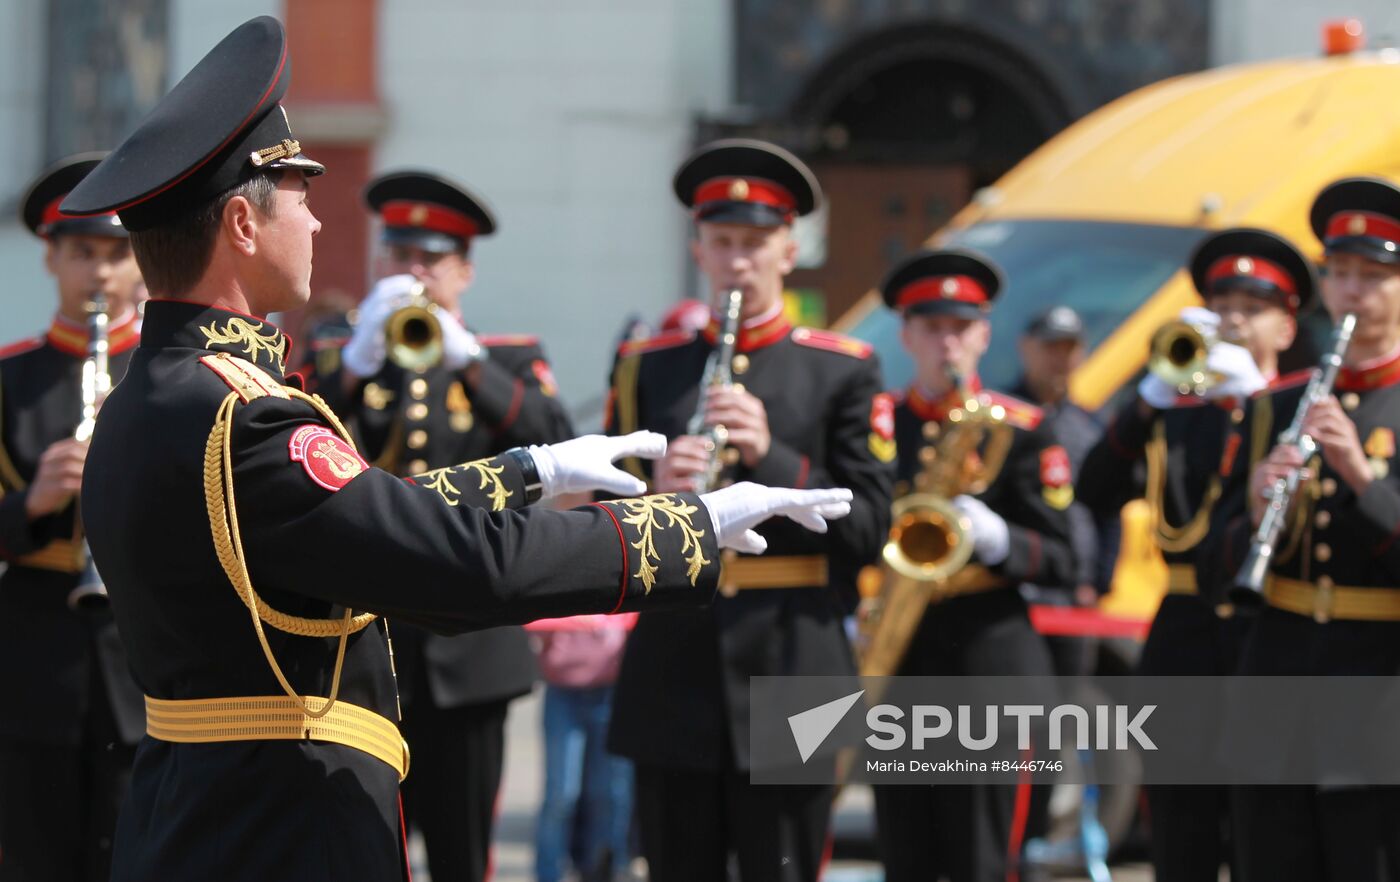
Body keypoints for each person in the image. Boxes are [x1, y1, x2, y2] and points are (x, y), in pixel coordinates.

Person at [60, 18, 852, 881]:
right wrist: (686, 525)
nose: (321, 224)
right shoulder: (241, 413)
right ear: (244, 223)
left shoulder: (158, 393)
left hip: (201, 810)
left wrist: (529, 470)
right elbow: (459, 565)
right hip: (276, 824)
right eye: (300, 194)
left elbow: (355, 515)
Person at [604, 139, 895, 882]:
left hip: (794, 668)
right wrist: (655, 488)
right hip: (674, 669)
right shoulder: (647, 365)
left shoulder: (842, 369)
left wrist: (769, 454)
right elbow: (599, 525)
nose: (739, 261)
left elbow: (868, 530)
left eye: (756, 244)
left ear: (790, 250)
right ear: (698, 248)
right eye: (723, 242)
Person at [316, 170, 571, 882]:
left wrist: (469, 360)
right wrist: (357, 361)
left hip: (471, 647)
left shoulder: (510, 359)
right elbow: (288, 444)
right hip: (370, 643)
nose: (415, 274)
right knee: (367, 851)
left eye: (431, 261)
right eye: (400, 258)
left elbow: (552, 437)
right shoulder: (349, 357)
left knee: (464, 855)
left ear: (465, 271)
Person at [1078, 227, 1314, 882]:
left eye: (1252, 308)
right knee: (1179, 828)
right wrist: (1144, 405)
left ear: (1287, 327)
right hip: (1182, 628)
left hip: (1264, 626)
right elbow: (1092, 490)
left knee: (1263, 828)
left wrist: (1252, 403)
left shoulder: (1301, 404)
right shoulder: (1184, 408)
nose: (1234, 321)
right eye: (1223, 306)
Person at [1199, 179, 1400, 882]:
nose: (1351, 292)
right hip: (1274, 688)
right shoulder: (1274, 405)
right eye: (1339, 274)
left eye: (1373, 277)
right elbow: (1212, 565)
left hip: (1376, 695)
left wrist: (1360, 478)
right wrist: (1254, 511)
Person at [872, 248, 1076, 882]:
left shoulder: (1023, 429)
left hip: (991, 669)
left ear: (984, 334)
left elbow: (1065, 557)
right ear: (906, 335)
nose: (947, 343)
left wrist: (997, 540)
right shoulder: (878, 424)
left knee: (983, 858)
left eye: (960, 328)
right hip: (902, 666)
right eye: (931, 328)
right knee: (905, 853)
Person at [0, 154, 147, 882]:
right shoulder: (10, 378)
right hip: (34, 661)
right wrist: (31, 503)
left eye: (119, 253)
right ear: (51, 257)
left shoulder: (172, 376)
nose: (101, 273)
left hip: (148, 656)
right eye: (83, 252)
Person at [1010, 305, 1108, 670]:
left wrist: (1099, 582)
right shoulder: (1005, 416)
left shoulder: (1091, 424)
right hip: (1017, 583)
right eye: (1050, 347)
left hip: (1074, 592)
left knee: (1069, 701)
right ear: (1026, 347)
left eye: (1069, 348)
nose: (1060, 359)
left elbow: (1107, 504)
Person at [529, 612, 637, 882]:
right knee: (561, 793)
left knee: (610, 792)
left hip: (611, 688)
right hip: (564, 690)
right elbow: (533, 622)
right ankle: (548, 874)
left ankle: (603, 868)